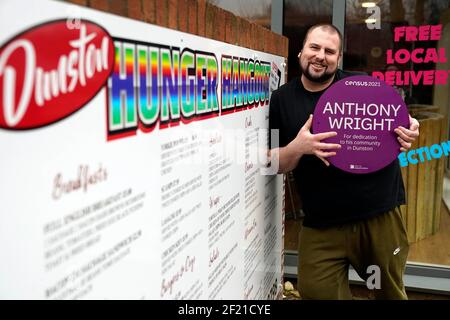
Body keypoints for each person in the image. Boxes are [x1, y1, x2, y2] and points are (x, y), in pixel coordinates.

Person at [269, 23, 420, 300]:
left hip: (378, 216)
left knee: (388, 293)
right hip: (322, 223)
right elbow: (273, 162)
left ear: (338, 59)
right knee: (316, 292)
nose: (320, 56)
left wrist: (410, 126)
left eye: (329, 51)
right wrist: (298, 147)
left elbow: (402, 122)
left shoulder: (362, 87)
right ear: (301, 50)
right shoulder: (281, 101)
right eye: (314, 47)